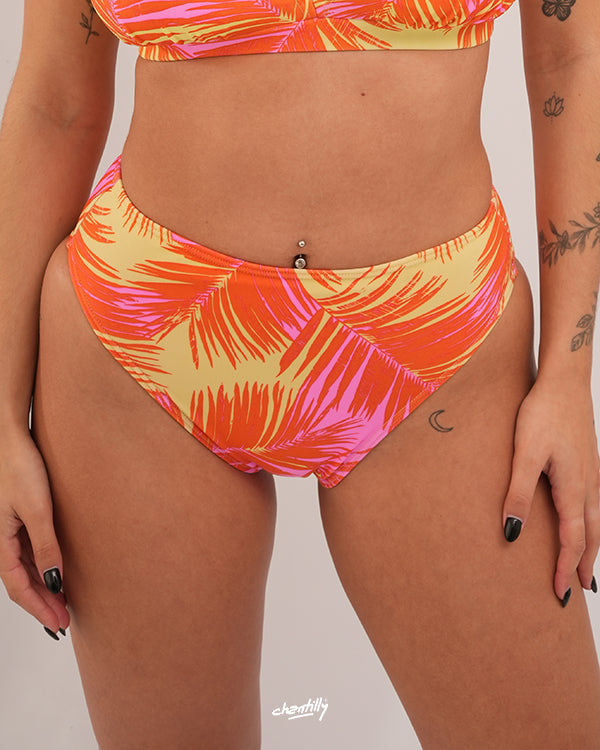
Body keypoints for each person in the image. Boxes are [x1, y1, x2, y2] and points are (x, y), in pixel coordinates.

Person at [1, 0, 599, 747]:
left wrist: (569, 376)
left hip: (439, 343)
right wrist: (1, 417)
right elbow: (55, 102)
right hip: (142, 335)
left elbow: (570, 59)